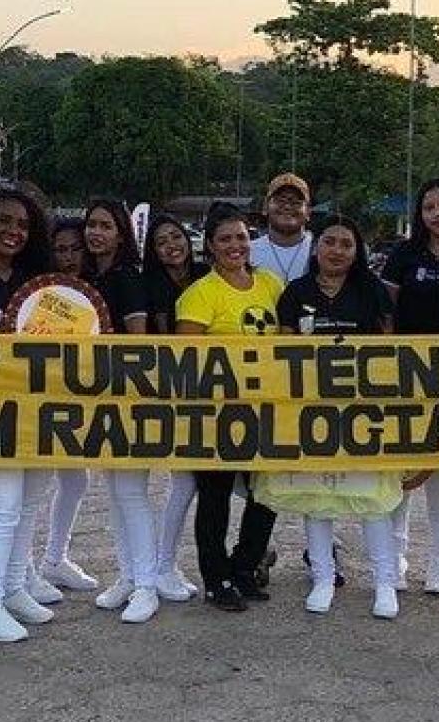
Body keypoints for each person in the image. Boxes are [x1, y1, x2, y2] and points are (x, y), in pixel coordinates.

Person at [276, 214, 399, 618]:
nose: (337, 250)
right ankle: (323, 578)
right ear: (316, 246)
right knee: (318, 498)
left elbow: (389, 349)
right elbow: (283, 351)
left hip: (362, 411)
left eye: (347, 244)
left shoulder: (373, 290)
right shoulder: (295, 292)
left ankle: (384, 583)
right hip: (312, 411)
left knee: (373, 499)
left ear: (357, 251)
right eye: (330, 241)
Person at [0, 188, 64, 641]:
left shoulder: (35, 279)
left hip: (36, 409)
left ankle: (14, 586)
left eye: (23, 225)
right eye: (5, 221)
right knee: (3, 505)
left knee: (30, 500)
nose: (13, 232)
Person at [175, 207, 285, 610]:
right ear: (210, 246)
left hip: (265, 412)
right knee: (215, 498)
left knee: (266, 495)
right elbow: (187, 361)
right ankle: (216, 578)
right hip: (216, 415)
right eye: (225, 239)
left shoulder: (271, 285)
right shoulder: (199, 295)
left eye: (241, 237)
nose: (235, 246)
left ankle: (245, 567)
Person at [381, 178, 439, 594]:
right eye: (429, 207)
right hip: (405, 374)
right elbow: (386, 311)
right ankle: (396, 564)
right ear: (420, 214)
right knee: (400, 478)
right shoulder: (404, 254)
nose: (437, 213)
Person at [79, 197, 161, 621]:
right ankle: (128, 576)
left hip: (127, 399)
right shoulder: (90, 276)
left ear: (121, 233)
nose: (96, 233)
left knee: (132, 494)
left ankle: (148, 585)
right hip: (99, 400)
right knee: (114, 494)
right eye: (91, 225)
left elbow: (137, 341)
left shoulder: (128, 277)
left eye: (105, 226)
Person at [141, 213, 203, 601]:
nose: (171, 245)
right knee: (173, 484)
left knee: (195, 483)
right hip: (163, 393)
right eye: (161, 240)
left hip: (204, 393)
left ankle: (167, 563)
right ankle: (159, 565)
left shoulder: (205, 278)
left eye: (176, 236)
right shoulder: (148, 284)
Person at [36, 216, 97, 593]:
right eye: (61, 249)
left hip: (79, 399)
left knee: (75, 480)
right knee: (31, 488)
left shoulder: (94, 291)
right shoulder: (36, 292)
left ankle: (54, 559)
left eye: (76, 248)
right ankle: (25, 571)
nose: (69, 256)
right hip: (39, 399)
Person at [250, 172, 315, 283]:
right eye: (280, 200)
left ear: (308, 211)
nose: (287, 206)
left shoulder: (319, 250)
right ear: (265, 207)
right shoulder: (247, 252)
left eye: (296, 202)